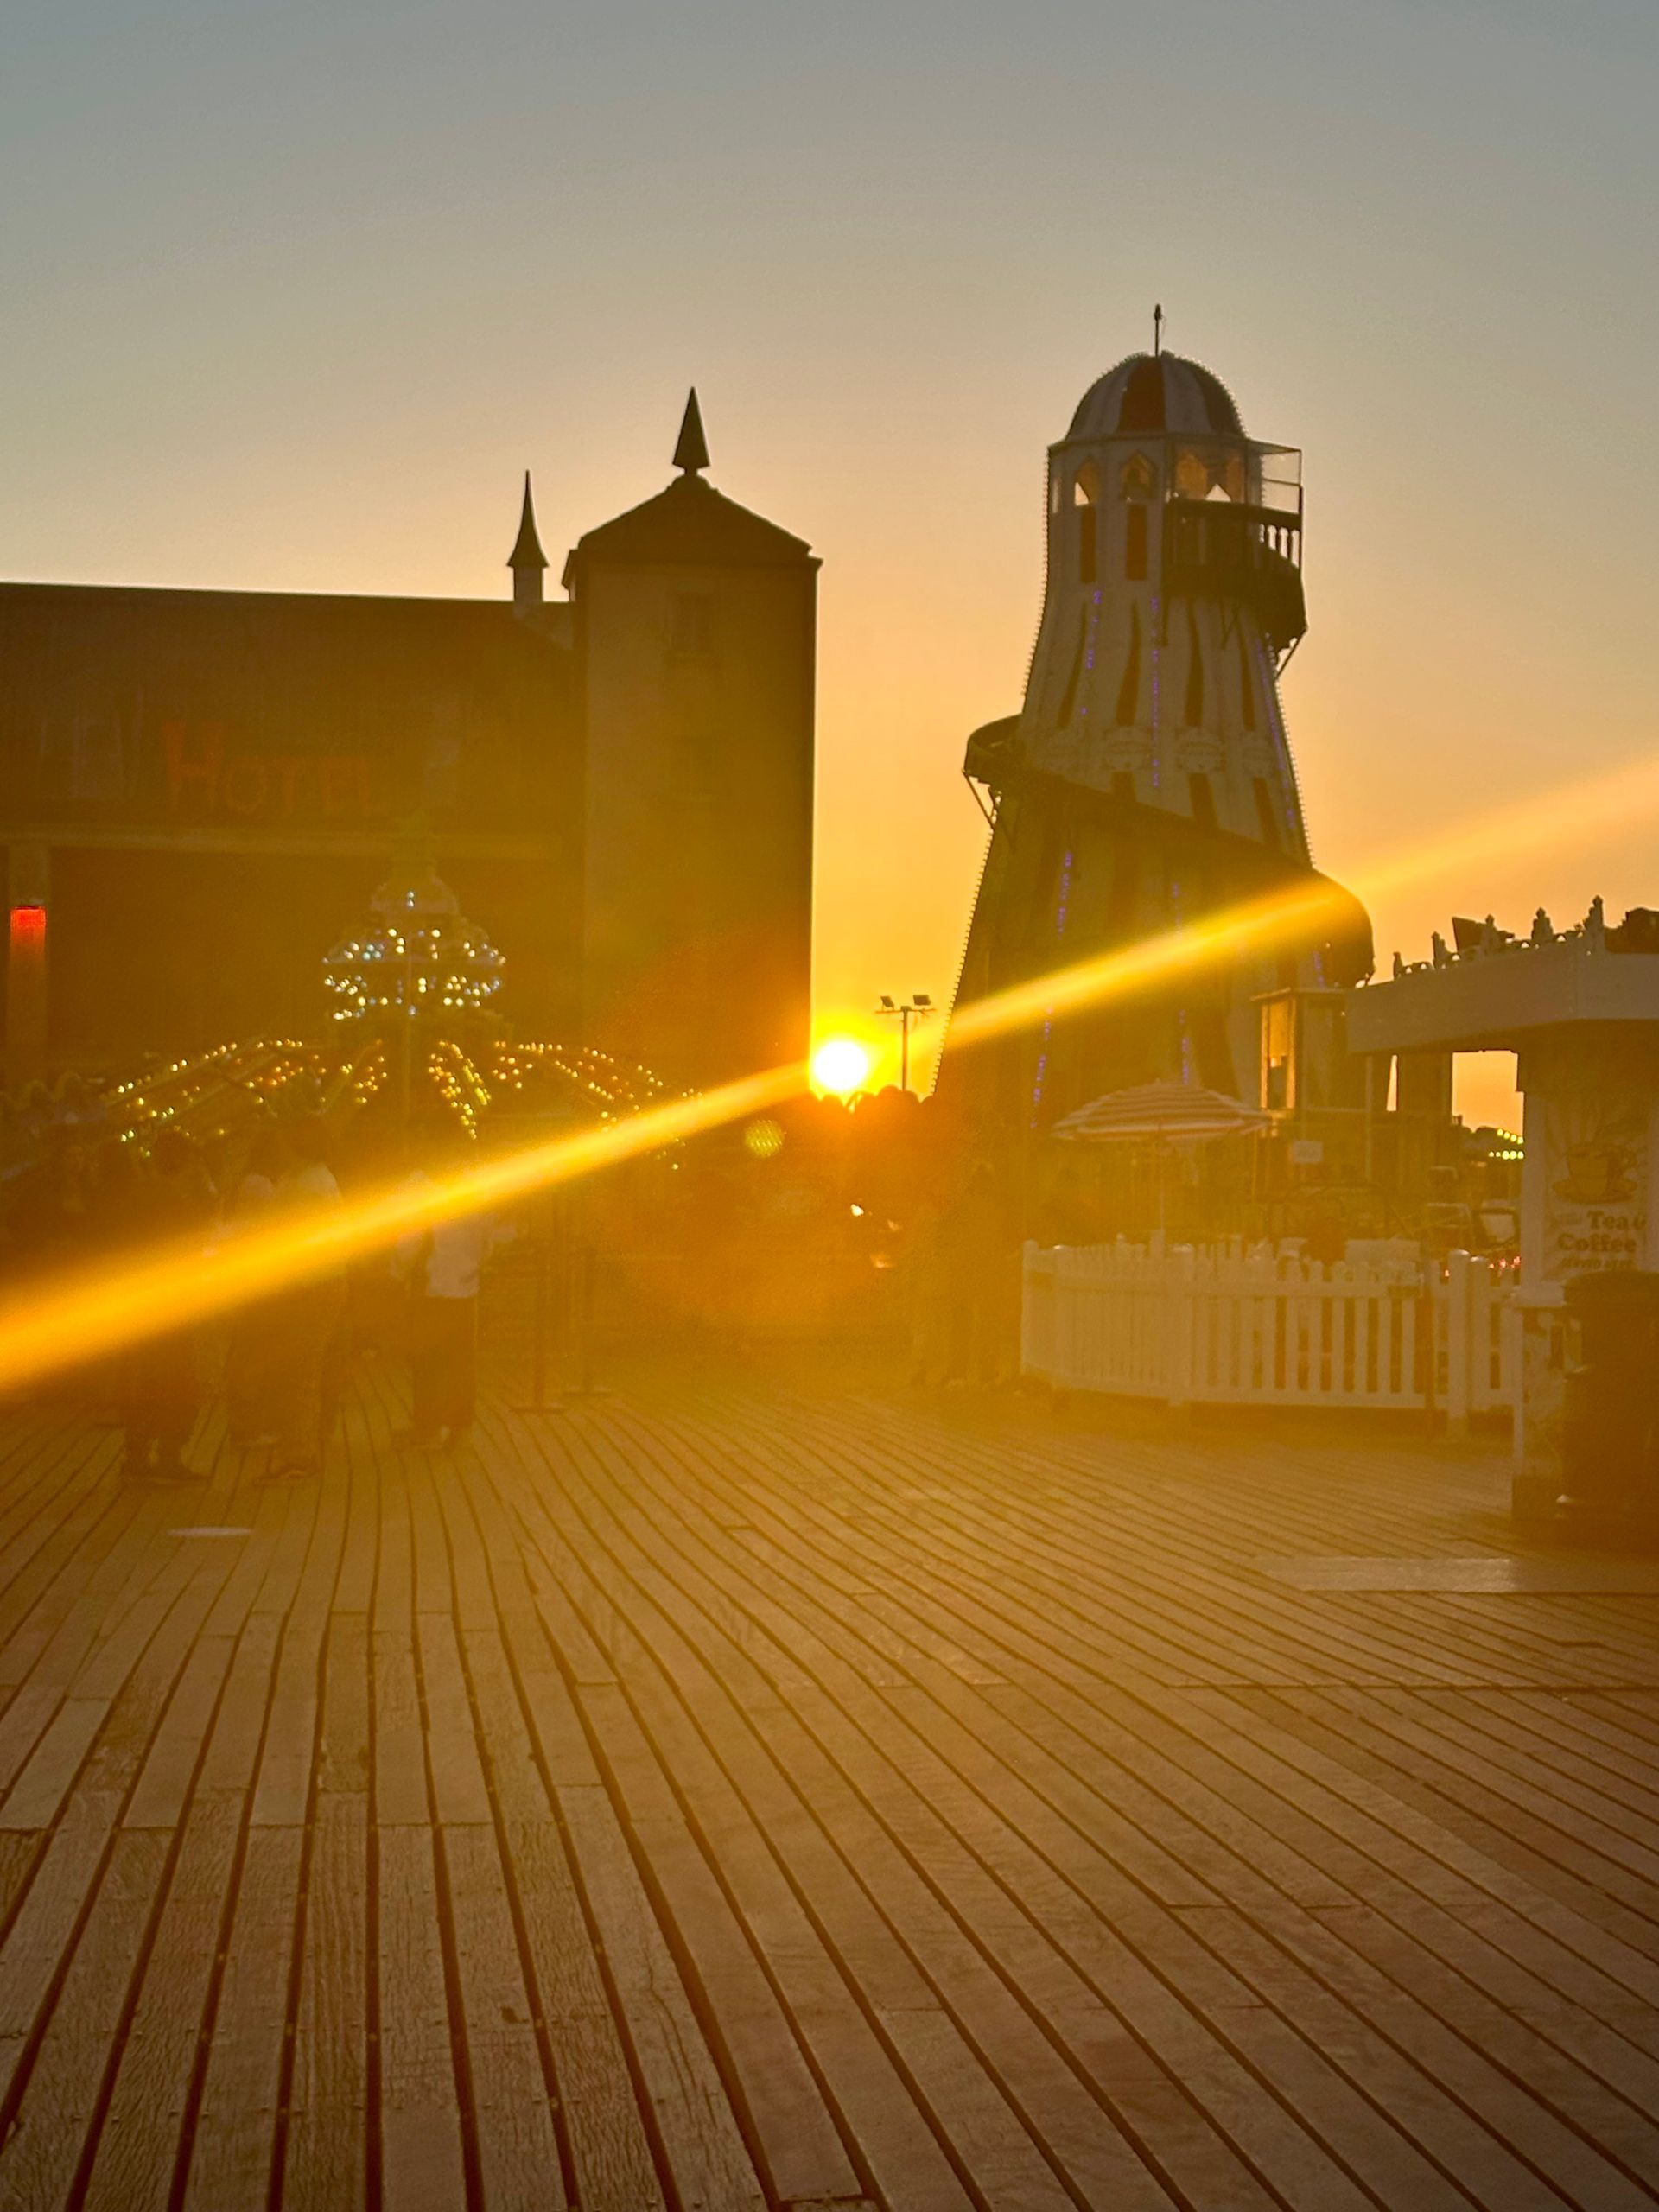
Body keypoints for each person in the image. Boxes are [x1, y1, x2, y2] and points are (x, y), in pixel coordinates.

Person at [396, 1121, 512, 1449]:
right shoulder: (477, 1187)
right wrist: (476, 1264)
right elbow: (489, 1237)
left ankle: (427, 1427)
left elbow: (408, 1240)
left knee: (428, 1359)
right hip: (465, 1284)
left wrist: (399, 1269)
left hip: (429, 1284)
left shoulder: (417, 1186)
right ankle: (458, 1426)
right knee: (460, 1360)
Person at [120, 1129, 216, 1480]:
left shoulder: (140, 1195)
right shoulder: (175, 1199)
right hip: (172, 1298)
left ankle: (137, 1455)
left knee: (148, 1379)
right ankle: (169, 1455)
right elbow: (196, 1234)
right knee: (177, 1381)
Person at [263, 1120, 346, 1479]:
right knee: (305, 1368)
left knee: (299, 1370)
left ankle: (299, 1454)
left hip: (308, 1285)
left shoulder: (308, 1186)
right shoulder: (316, 1181)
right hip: (319, 1282)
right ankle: (303, 1443)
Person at [223, 1127, 290, 1448]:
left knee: (250, 1349)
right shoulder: (261, 1185)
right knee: (255, 1352)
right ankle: (247, 1426)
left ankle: (244, 1423)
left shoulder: (248, 1182)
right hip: (260, 1277)